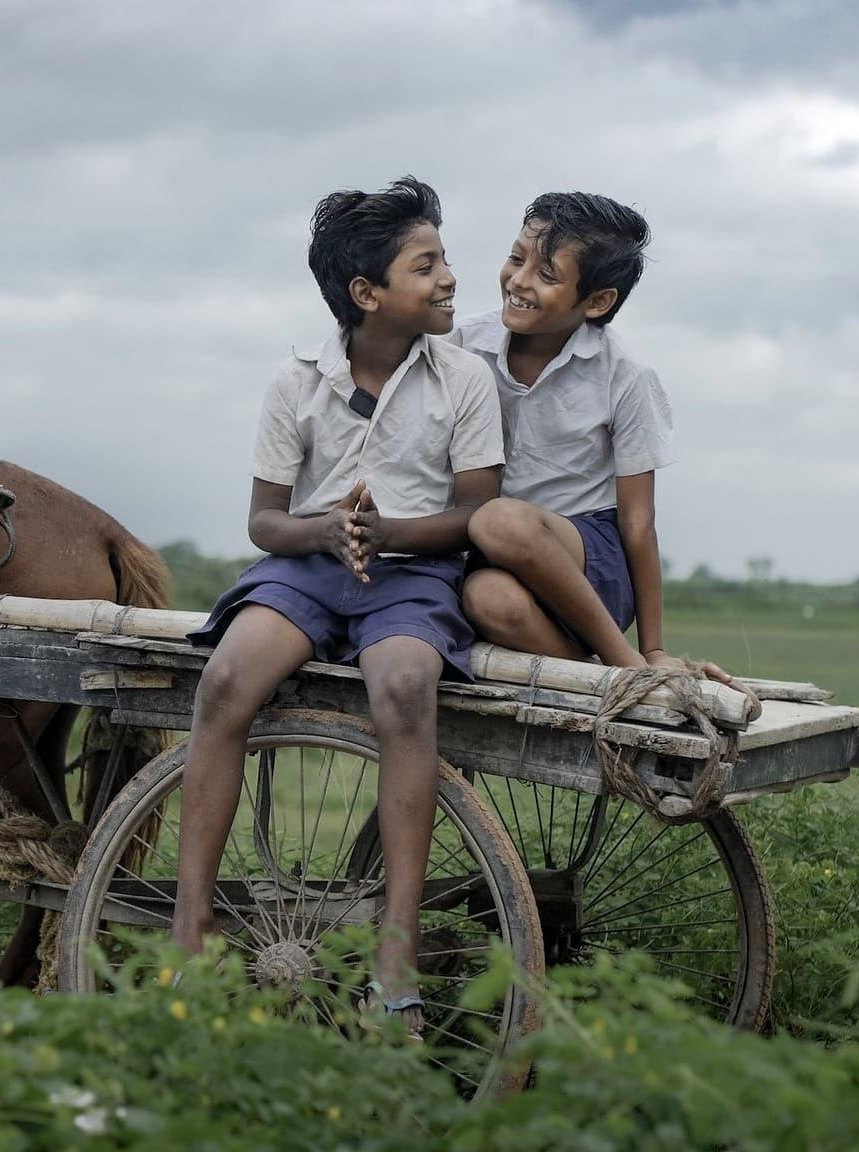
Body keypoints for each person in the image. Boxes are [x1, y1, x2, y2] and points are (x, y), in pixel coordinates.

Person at [173, 177, 503, 1035]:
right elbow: (263, 521)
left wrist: (388, 534)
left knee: (401, 688)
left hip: (415, 572)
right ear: (367, 294)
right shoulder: (298, 381)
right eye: (426, 266)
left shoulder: (463, 377)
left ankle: (396, 947)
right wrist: (325, 533)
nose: (449, 279)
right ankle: (191, 927)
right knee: (224, 683)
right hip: (310, 569)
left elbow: (477, 512)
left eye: (444, 261)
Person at [453, 192, 727, 680]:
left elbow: (639, 523)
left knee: (499, 520)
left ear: (598, 302)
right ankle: (599, 672)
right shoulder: (461, 348)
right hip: (493, 559)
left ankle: (632, 665)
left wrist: (655, 647)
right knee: (485, 599)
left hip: (591, 560)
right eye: (516, 259)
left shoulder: (624, 376)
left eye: (546, 274)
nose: (518, 280)